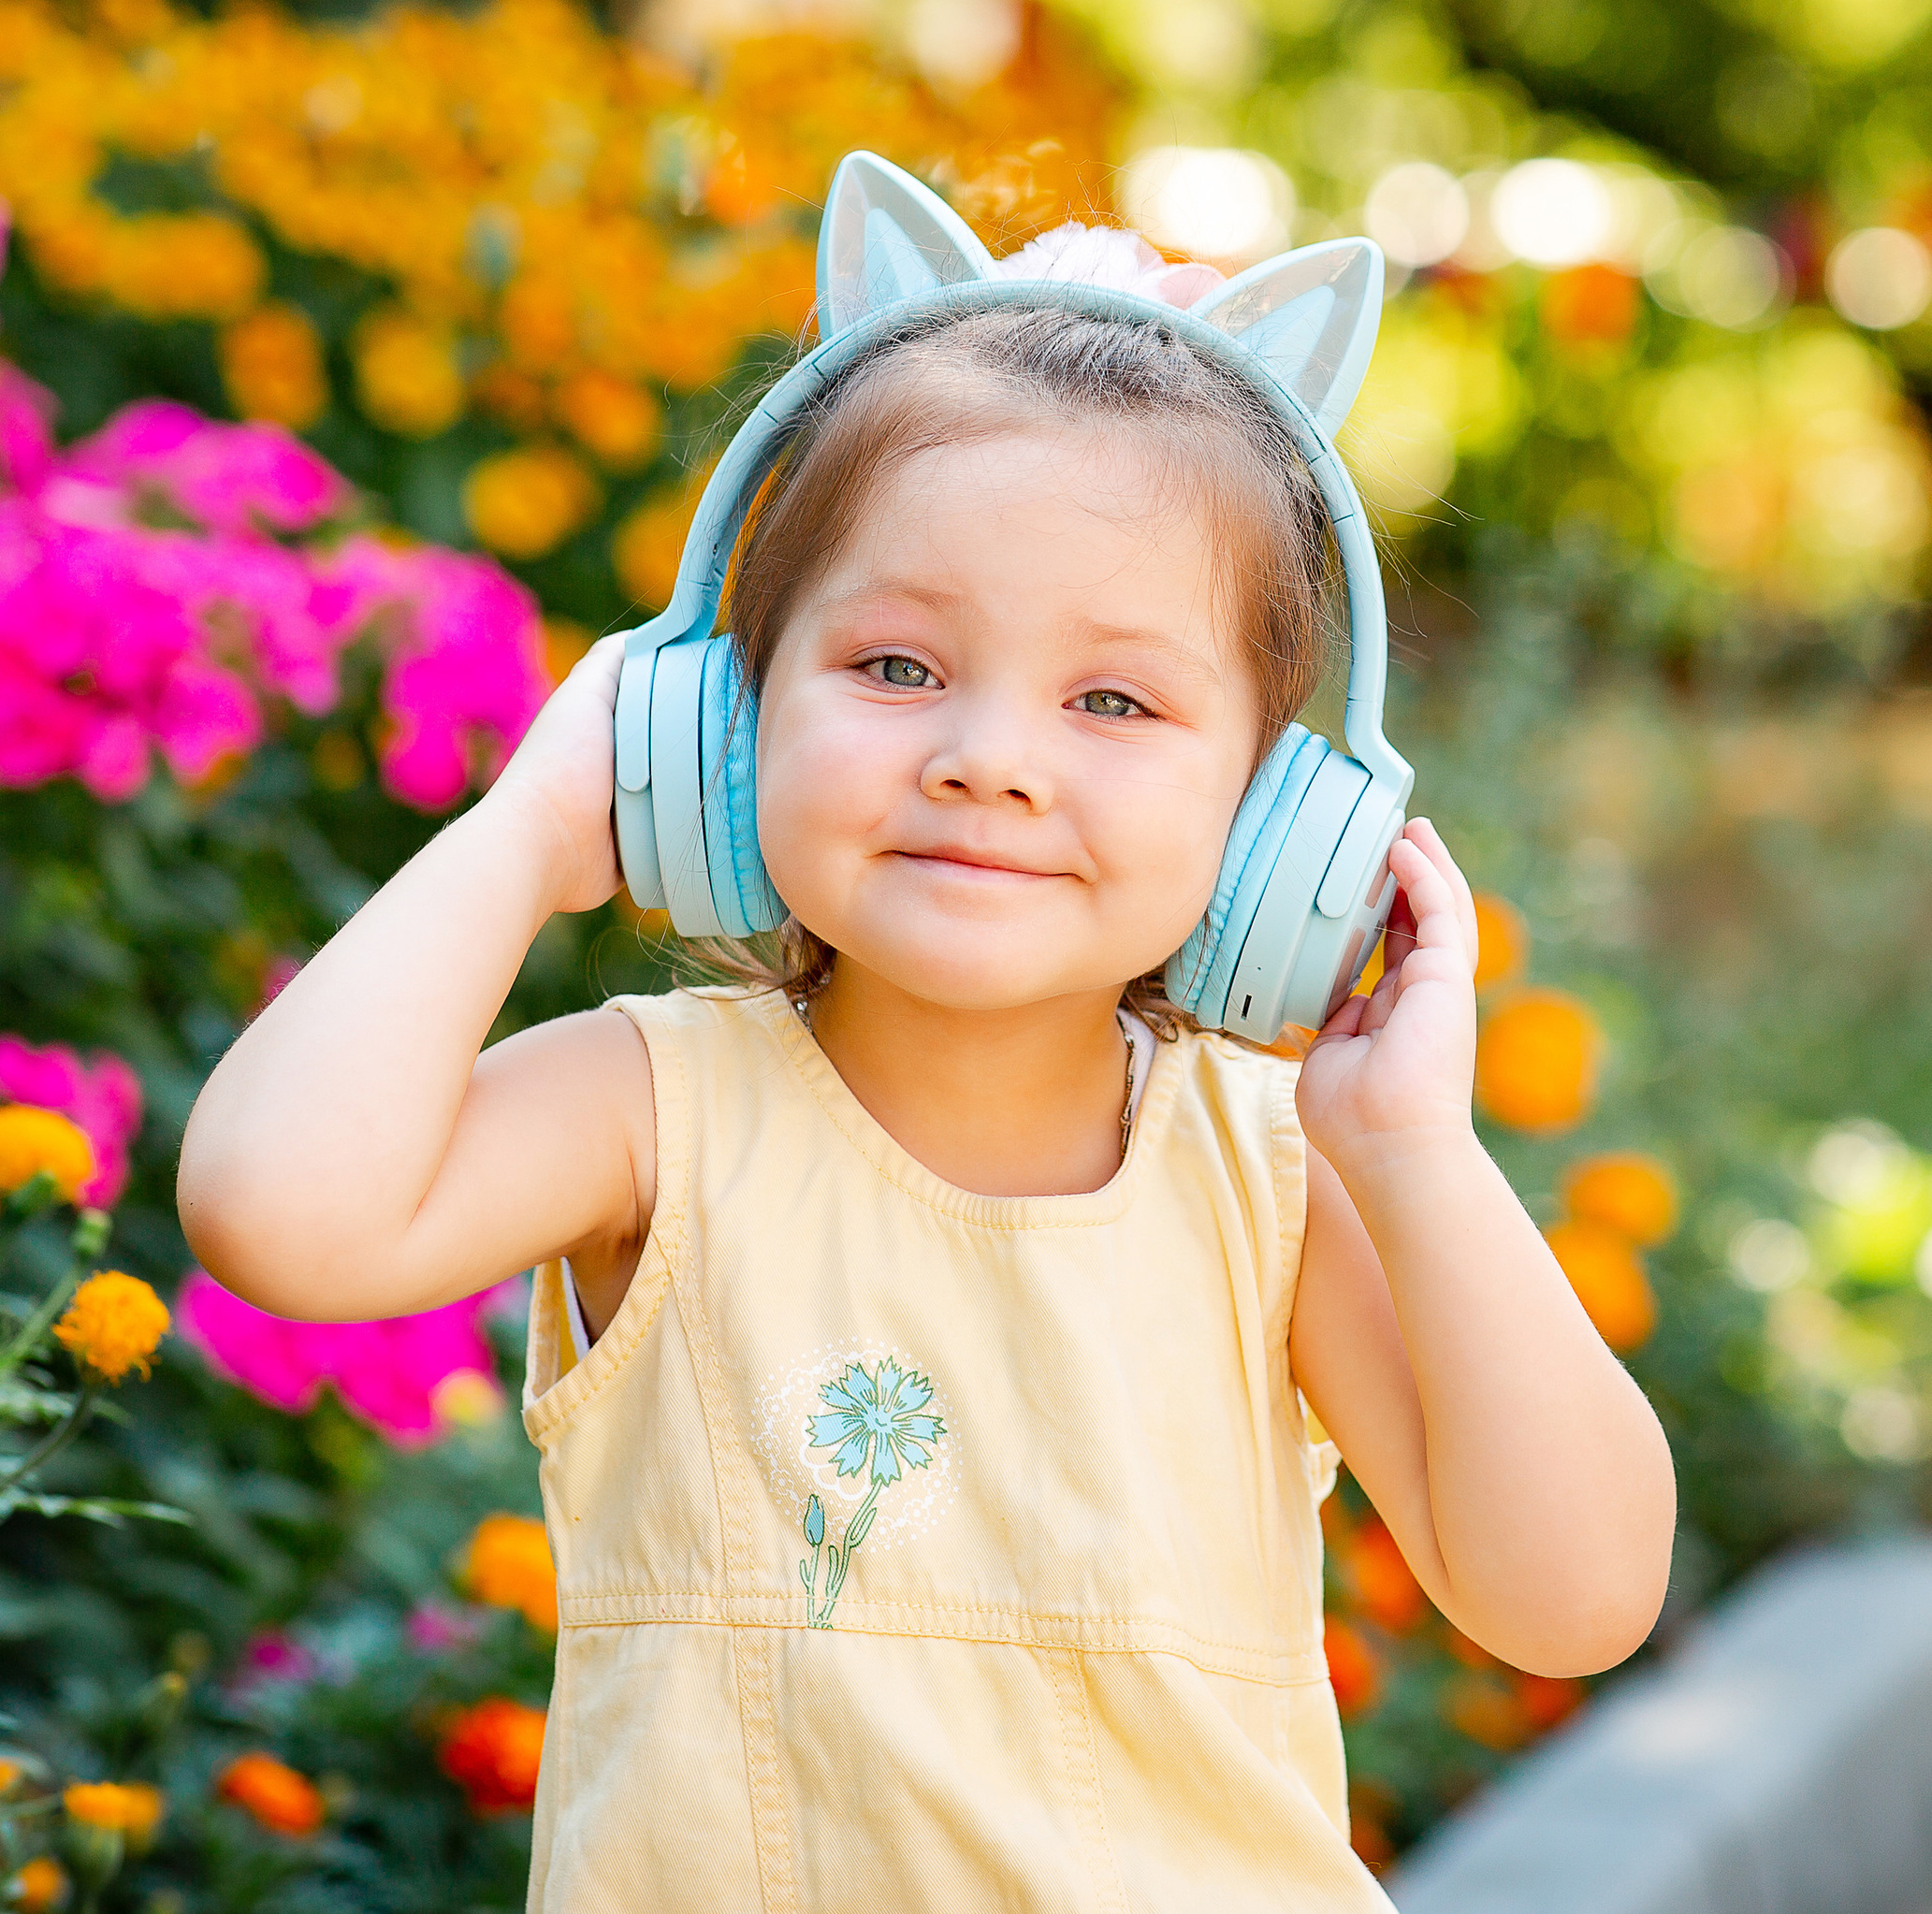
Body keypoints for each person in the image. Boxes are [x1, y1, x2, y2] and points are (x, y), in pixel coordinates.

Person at [178, 153, 1675, 1911]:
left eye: (1112, 699)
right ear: (721, 719)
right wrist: (526, 828)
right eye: (895, 669)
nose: (990, 756)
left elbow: (1571, 1597)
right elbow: (275, 1217)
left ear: (1277, 826)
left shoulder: (1276, 1180)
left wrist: (1419, 1152)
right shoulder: (657, 1117)